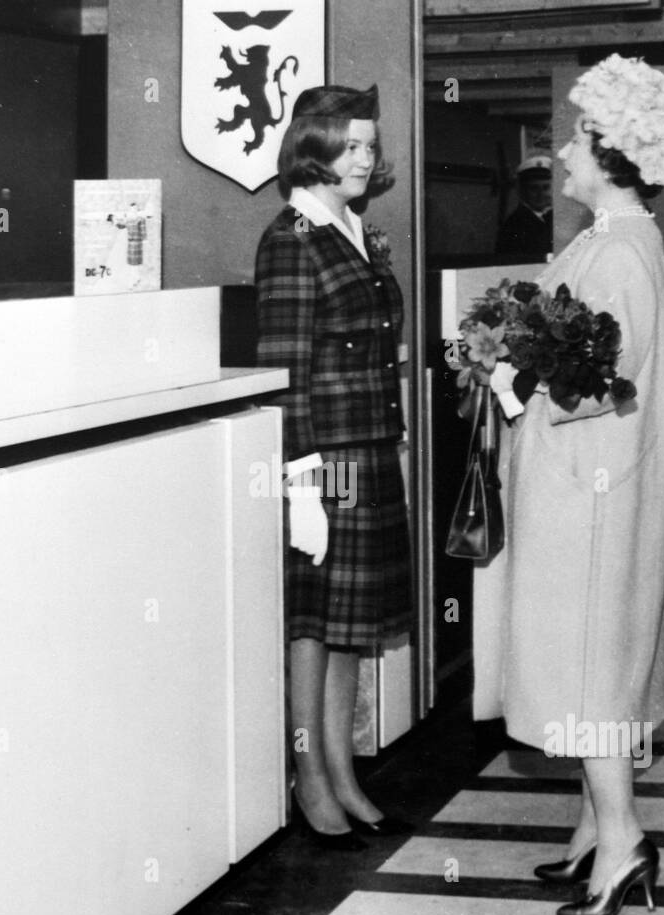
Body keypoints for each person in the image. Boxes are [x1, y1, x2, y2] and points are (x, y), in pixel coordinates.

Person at [473, 54, 664, 915]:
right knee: (593, 658)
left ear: (611, 151)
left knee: (587, 670)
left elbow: (603, 378)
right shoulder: (613, 240)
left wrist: (512, 383)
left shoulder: (614, 253)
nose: (562, 149)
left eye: (577, 135)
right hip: (593, 487)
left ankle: (622, 843)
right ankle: (588, 831)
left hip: (589, 496)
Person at [254, 84, 413, 850]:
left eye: (370, 146)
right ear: (312, 150)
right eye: (350, 146)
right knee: (314, 623)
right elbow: (285, 369)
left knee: (352, 627)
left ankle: (345, 772)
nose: (365, 158)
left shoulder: (354, 227)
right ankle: (310, 776)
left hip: (372, 448)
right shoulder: (291, 238)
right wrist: (300, 482)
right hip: (327, 458)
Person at [496, 155, 554, 259]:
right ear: (523, 191)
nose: (540, 194)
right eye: (534, 188)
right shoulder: (513, 226)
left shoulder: (555, 218)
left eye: (545, 187)